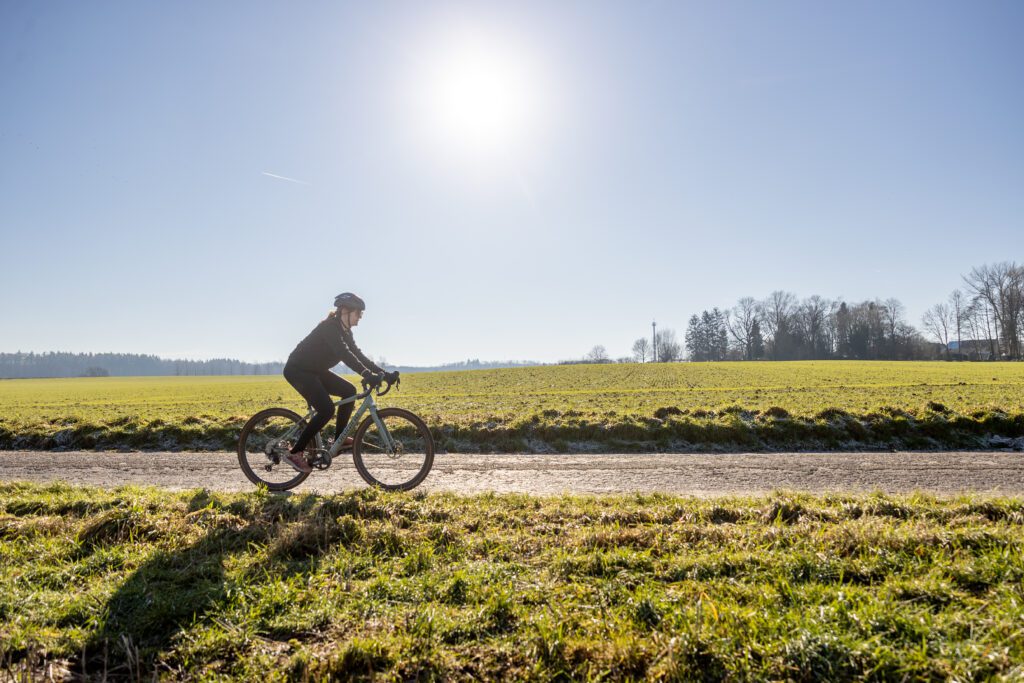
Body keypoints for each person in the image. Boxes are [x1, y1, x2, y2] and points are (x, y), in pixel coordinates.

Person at [282, 292, 397, 473]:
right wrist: (366, 374)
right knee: (326, 409)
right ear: (345, 311)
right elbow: (344, 355)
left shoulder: (345, 331)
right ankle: (295, 452)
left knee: (349, 391)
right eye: (358, 313)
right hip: (298, 371)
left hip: (315, 371)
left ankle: (339, 439)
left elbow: (357, 355)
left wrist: (384, 374)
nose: (360, 318)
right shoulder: (330, 327)